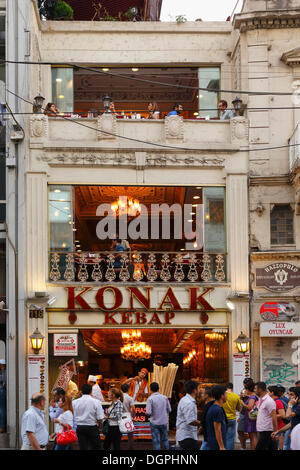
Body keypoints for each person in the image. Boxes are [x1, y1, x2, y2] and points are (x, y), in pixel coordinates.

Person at [72, 383, 104, 450]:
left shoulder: (75, 402)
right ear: (91, 391)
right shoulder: (96, 402)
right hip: (92, 427)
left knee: (83, 447)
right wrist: (100, 427)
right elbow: (100, 418)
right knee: (96, 447)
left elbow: (72, 415)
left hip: (80, 427)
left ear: (81, 391)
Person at [146, 382, 171, 450]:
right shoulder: (165, 397)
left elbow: (148, 412)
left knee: (156, 441)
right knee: (165, 440)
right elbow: (169, 409)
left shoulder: (150, 399)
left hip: (154, 422)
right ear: (158, 389)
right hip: (163, 422)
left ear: (150, 389)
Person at [176, 380, 200, 450]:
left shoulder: (185, 399)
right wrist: (202, 423)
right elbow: (190, 421)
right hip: (187, 436)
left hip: (187, 435)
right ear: (195, 390)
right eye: (198, 388)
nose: (199, 390)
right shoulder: (189, 403)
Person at [254, 381, 277, 450]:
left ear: (260, 389)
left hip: (267, 431)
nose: (254, 390)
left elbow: (274, 416)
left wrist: (275, 432)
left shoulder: (269, 401)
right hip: (262, 430)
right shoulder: (261, 399)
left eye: (255, 388)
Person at [205, 385, 227, 450]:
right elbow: (217, 430)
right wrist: (222, 446)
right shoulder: (217, 410)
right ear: (222, 396)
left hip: (213, 443)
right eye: (225, 394)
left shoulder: (214, 407)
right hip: (216, 445)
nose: (227, 396)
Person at [222, 382, 242, 450]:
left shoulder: (222, 395)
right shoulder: (236, 396)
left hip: (223, 418)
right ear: (232, 388)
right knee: (230, 438)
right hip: (232, 419)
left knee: (222, 437)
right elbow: (239, 409)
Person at [240, 378, 258, 450]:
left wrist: (242, 403)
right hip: (251, 417)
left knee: (253, 436)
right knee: (252, 436)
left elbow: (250, 407)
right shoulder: (253, 396)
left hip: (251, 419)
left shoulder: (252, 397)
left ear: (248, 390)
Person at [268, 385, 286, 450]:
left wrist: (269, 416)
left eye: (268, 392)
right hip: (273, 427)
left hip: (279, 428)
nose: (267, 393)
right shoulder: (272, 401)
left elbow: (282, 415)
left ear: (272, 393)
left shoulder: (278, 401)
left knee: (278, 446)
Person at [121, 383, 135, 450]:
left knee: (119, 434)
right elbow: (133, 409)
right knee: (130, 435)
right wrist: (133, 416)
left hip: (120, 417)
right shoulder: (130, 398)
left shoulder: (118, 398)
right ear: (128, 390)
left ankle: (119, 447)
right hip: (128, 416)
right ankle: (130, 448)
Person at [199, 386, 214, 450]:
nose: (201, 395)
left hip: (209, 433)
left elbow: (204, 418)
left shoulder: (210, 405)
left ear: (207, 395)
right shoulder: (210, 404)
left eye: (203, 393)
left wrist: (201, 426)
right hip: (208, 433)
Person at [0, 359, 6, 433]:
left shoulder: (4, 372)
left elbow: (4, 381)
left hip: (2, 390)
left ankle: (2, 426)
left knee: (2, 409)